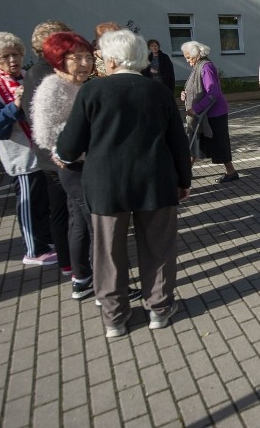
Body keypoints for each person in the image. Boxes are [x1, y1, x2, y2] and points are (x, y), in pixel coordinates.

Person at [56, 30, 191, 338]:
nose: (99, 62)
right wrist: (184, 180)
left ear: (113, 60)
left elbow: (68, 147)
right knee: (158, 249)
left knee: (109, 252)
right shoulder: (158, 92)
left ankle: (115, 318)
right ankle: (159, 308)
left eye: (101, 57)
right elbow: (178, 142)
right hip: (156, 181)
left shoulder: (92, 91)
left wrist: (63, 154)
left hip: (106, 184)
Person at [0, 32, 57, 266]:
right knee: (29, 203)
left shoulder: (25, 78)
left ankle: (47, 241)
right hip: (22, 157)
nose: (13, 60)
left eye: (16, 54)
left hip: (42, 153)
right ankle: (33, 251)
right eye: (5, 56)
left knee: (44, 202)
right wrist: (15, 105)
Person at [30, 32, 97, 299]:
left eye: (88, 57)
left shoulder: (80, 86)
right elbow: (45, 133)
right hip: (73, 167)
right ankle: (109, 286)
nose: (84, 63)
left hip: (83, 163)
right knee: (96, 223)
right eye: (76, 57)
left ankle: (82, 278)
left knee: (79, 222)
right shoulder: (52, 87)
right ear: (59, 59)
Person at [21, 20, 73, 275]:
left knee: (60, 210)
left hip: (48, 155)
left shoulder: (36, 72)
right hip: (59, 156)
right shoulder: (48, 75)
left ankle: (68, 261)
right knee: (68, 212)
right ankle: (74, 264)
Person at [181, 41, 239, 183]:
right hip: (204, 114)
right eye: (186, 58)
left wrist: (196, 108)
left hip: (214, 113)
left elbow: (213, 92)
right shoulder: (198, 66)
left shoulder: (205, 67)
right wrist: (185, 94)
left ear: (197, 55)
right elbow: (193, 87)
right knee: (196, 141)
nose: (188, 62)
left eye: (189, 58)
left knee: (218, 143)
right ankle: (186, 172)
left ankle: (231, 171)